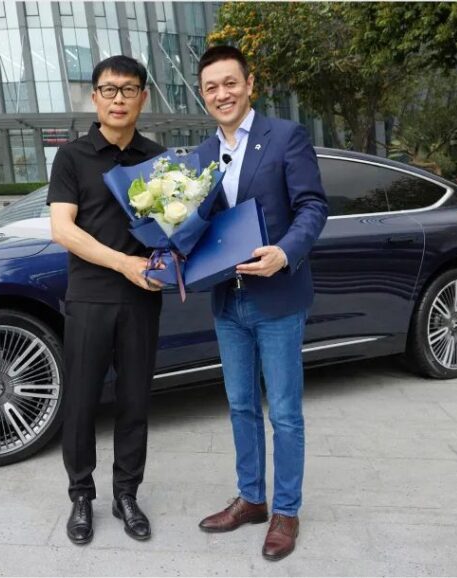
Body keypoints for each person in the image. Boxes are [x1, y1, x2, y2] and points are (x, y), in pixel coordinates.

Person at [190, 45, 328, 561]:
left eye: (230, 83)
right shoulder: (201, 156)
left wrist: (285, 253)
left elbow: (312, 206)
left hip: (278, 298)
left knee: (285, 412)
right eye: (211, 87)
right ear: (202, 96)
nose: (222, 94)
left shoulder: (286, 137)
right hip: (228, 301)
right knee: (241, 406)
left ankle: (286, 511)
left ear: (250, 84)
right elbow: (199, 226)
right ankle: (251, 498)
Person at [47, 55, 166, 545]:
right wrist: (124, 264)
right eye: (110, 90)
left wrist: (169, 261)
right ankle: (81, 495)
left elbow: (172, 227)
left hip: (142, 299)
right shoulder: (72, 157)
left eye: (129, 89)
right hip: (90, 298)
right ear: (94, 97)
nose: (119, 99)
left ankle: (126, 494)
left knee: (135, 400)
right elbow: (62, 230)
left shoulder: (157, 158)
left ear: (143, 97)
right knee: (80, 402)